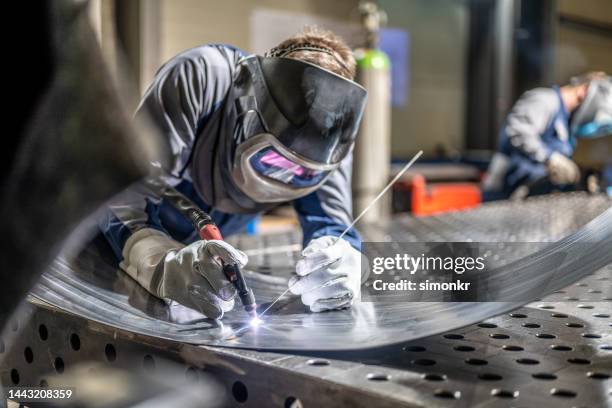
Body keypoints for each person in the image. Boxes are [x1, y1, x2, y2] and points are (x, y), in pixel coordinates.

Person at [98, 27, 368, 319]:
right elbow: (124, 191)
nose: (286, 176)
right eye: (274, 158)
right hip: (109, 246)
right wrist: (153, 257)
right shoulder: (202, 76)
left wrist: (342, 260)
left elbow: (331, 224)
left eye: (302, 172)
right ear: (247, 103)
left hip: (201, 260)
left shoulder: (333, 141)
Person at [482, 72, 611, 200]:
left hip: (530, 200)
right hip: (506, 195)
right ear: (583, 91)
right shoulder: (545, 100)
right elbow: (519, 132)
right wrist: (550, 158)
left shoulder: (566, 122)